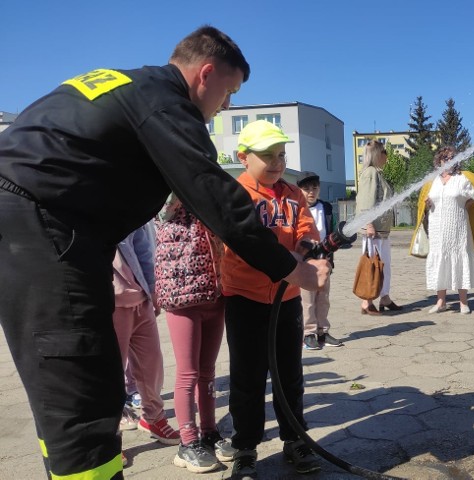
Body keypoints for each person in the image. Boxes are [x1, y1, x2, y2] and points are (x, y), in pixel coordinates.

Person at [0, 26, 328, 480]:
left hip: (31, 225)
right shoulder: (166, 104)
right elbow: (217, 198)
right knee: (83, 391)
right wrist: (294, 270)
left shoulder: (126, 85)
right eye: (228, 92)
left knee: (58, 389)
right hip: (40, 229)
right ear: (206, 74)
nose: (226, 105)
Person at [221, 120, 322, 478]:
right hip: (244, 298)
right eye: (267, 156)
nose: (277, 162)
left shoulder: (293, 194)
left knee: (289, 373)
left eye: (281, 154)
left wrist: (305, 248)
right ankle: (245, 448)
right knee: (247, 378)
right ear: (243, 157)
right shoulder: (235, 194)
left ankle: (294, 439)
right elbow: (240, 242)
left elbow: (306, 228)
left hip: (287, 299)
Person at [155, 193, 237, 473]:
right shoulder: (167, 205)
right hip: (183, 298)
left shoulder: (208, 203)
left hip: (214, 294)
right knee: (188, 373)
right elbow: (164, 208)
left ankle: (209, 432)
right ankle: (187, 442)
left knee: (208, 372)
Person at [112, 222, 182, 457]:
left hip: (140, 297)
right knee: (109, 374)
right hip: (107, 304)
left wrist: (152, 288)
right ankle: (109, 435)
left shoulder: (127, 202)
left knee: (152, 366)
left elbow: (143, 245)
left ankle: (153, 418)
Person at [411, 146, 474, 314]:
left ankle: (463, 302)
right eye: (445, 158)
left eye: (452, 158)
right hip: (437, 228)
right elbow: (426, 200)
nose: (448, 161)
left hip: (458, 226)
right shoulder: (433, 181)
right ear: (439, 161)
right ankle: (440, 302)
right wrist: (428, 204)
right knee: (439, 262)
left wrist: (465, 205)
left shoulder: (462, 179)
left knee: (459, 259)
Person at [296, 171, 344, 350]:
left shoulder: (327, 208)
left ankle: (323, 331)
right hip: (306, 259)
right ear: (299, 190)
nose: (311, 192)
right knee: (307, 299)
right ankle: (308, 333)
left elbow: (331, 231)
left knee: (323, 297)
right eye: (306, 188)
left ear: (319, 189)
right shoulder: (298, 209)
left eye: (314, 188)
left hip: (325, 258)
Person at [355, 139, 402, 314]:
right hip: (373, 230)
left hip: (382, 230)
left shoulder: (378, 173)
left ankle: (385, 297)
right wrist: (368, 225)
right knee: (372, 265)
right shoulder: (370, 173)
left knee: (385, 265)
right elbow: (365, 201)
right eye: (384, 152)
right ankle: (366, 302)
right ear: (377, 155)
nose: (387, 156)